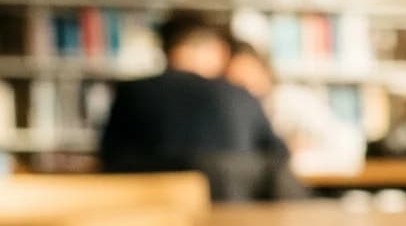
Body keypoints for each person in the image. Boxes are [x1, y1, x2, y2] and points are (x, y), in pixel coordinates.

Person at [98, 11, 299, 201]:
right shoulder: (241, 95)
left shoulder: (131, 92)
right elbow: (279, 159)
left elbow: (109, 160)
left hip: (150, 224)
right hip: (235, 223)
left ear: (166, 51)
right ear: (217, 50)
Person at [223, 42, 364, 178]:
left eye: (249, 76)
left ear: (266, 72)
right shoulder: (243, 114)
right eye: (237, 82)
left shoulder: (289, 100)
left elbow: (347, 146)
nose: (245, 88)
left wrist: (293, 157)